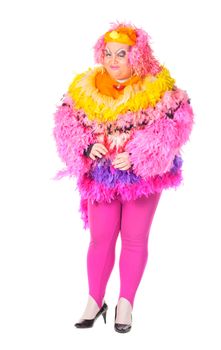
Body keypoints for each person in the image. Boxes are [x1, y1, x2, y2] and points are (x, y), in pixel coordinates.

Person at [53, 22, 194, 333]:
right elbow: (66, 122)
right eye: (108, 53)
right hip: (101, 177)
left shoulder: (159, 88)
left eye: (121, 54)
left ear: (137, 56)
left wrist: (140, 155)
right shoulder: (85, 88)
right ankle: (94, 300)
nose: (113, 60)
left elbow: (175, 126)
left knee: (134, 237)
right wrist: (87, 146)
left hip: (142, 178)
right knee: (100, 238)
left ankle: (125, 302)